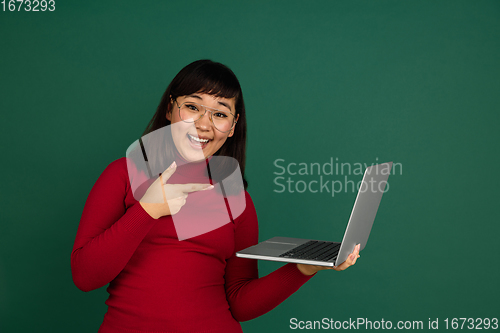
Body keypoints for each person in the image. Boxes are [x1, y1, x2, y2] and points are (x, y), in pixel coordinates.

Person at [71, 59, 360, 333]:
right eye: (192, 107)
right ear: (170, 109)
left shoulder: (237, 201)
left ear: (232, 127)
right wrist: (147, 209)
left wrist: (304, 267)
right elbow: (85, 276)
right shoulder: (123, 174)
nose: (203, 124)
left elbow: (240, 303)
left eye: (220, 114)